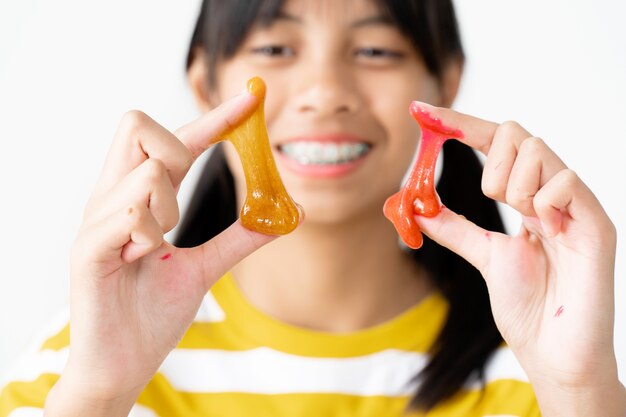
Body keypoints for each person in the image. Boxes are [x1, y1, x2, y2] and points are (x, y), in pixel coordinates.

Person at [1, 0, 624, 416]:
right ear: (205, 85)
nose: (326, 93)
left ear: (446, 83)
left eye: (376, 50)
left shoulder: (542, 372)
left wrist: (579, 393)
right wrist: (100, 394)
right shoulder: (82, 367)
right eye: (274, 50)